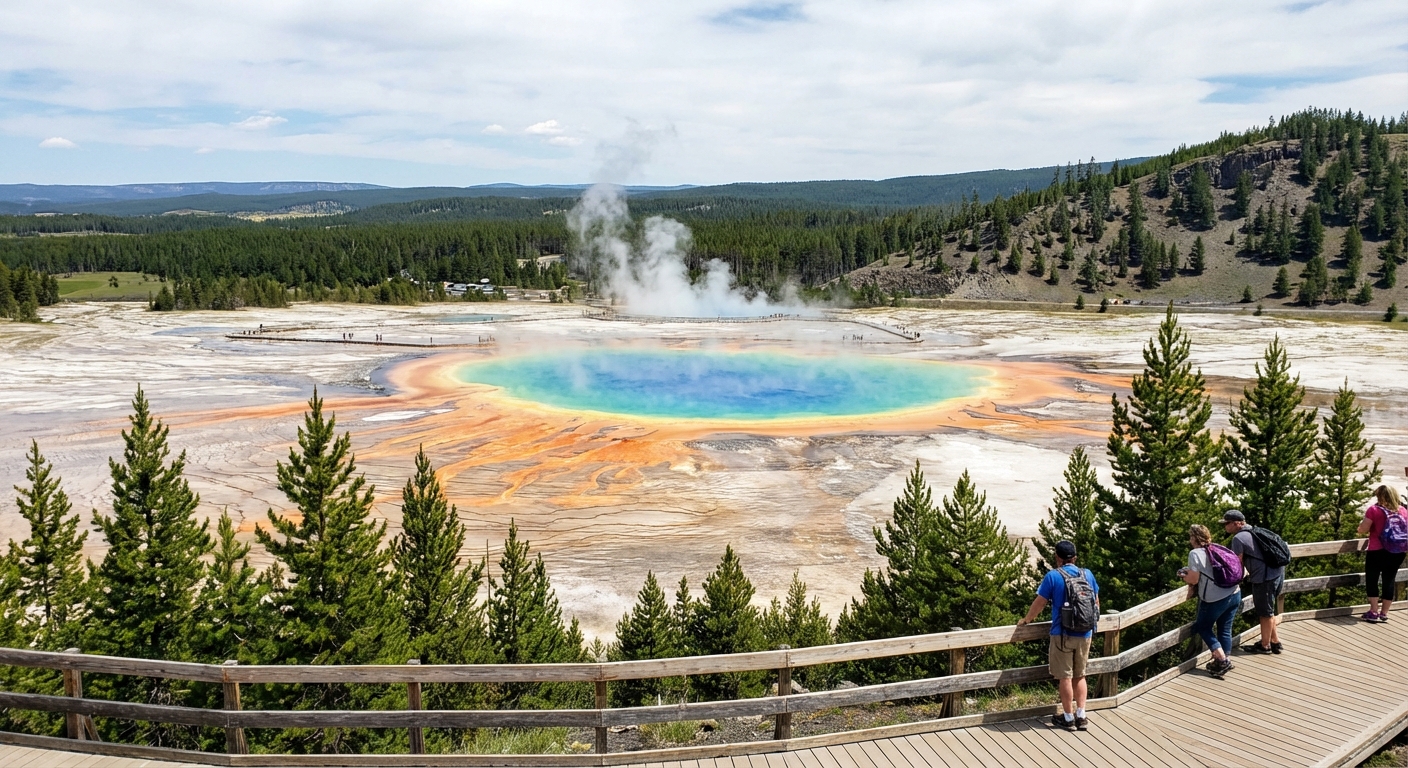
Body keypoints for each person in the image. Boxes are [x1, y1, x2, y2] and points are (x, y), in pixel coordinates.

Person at [1018, 540, 1099, 732]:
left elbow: (1040, 602)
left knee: (1065, 677)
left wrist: (1027, 620)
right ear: (1075, 558)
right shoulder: (1087, 574)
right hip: (1085, 632)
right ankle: (1082, 715)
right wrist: (1090, 625)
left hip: (1062, 633)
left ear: (1057, 557)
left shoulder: (1053, 576)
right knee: (1080, 676)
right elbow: (1095, 602)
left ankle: (1068, 718)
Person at [1180, 524, 1239, 678]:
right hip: (1234, 593)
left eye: (1190, 536)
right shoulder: (1219, 548)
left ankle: (1221, 660)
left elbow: (1193, 579)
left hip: (1215, 598)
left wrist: (1183, 575)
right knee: (1225, 628)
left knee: (1203, 626)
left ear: (1194, 537)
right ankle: (1224, 661)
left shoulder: (1195, 553)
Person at [1223, 510, 1282, 654]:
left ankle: (1265, 646)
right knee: (1268, 610)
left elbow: (1237, 563)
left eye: (1227, 523)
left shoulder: (1238, 538)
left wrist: (1232, 580)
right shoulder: (1257, 531)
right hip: (1277, 573)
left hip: (1264, 578)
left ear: (1237, 523)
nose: (1225, 526)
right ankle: (1275, 642)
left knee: (1265, 612)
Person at [1357, 485, 1408, 623]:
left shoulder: (1374, 510)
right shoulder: (1403, 510)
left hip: (1377, 550)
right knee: (1389, 579)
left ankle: (1373, 611)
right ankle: (1384, 613)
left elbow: (1363, 529)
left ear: (1380, 496)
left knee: (1372, 579)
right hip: (1397, 551)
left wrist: (1359, 528)